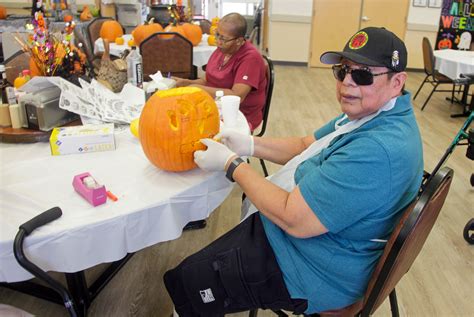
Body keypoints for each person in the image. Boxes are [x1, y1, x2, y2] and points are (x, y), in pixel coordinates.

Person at [164, 27, 424, 316]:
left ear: (397, 82)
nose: (347, 83)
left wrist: (232, 165)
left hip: (314, 266)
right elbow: (304, 145)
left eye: (362, 75)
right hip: (312, 236)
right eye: (342, 71)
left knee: (187, 284)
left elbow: (293, 218)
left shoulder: (377, 150)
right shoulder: (373, 113)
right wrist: (249, 144)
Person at [174, 13, 267, 131]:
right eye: (217, 34)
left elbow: (236, 96)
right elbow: (208, 80)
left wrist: (199, 89)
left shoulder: (250, 58)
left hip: (239, 115)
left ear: (239, 41)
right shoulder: (222, 50)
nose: (218, 41)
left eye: (223, 38)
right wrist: (187, 83)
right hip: (216, 106)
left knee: (190, 129)